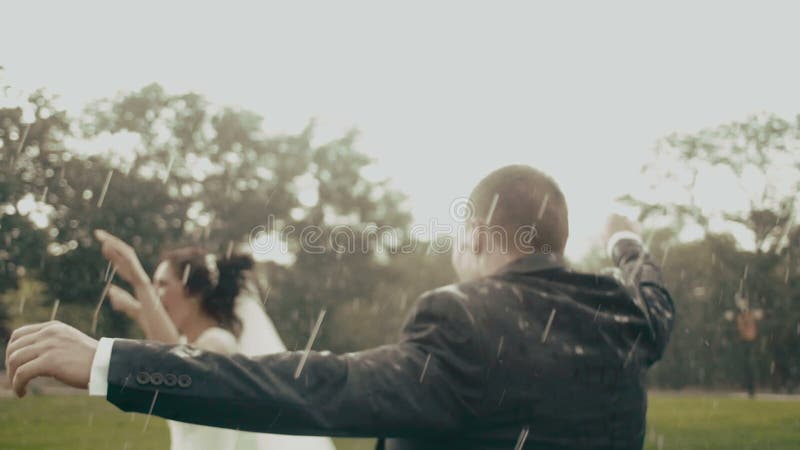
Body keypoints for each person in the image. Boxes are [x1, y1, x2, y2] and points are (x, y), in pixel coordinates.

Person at [6, 165, 675, 450]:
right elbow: (655, 293)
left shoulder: (465, 323)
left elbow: (312, 387)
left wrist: (107, 362)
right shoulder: (626, 318)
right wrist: (627, 243)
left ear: (472, 237)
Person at [98, 233, 335, 450]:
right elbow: (171, 346)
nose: (156, 294)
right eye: (154, 284)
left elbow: (175, 364)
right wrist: (136, 310)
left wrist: (140, 281)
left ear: (193, 293)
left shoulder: (219, 343)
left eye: (163, 284)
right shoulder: (191, 342)